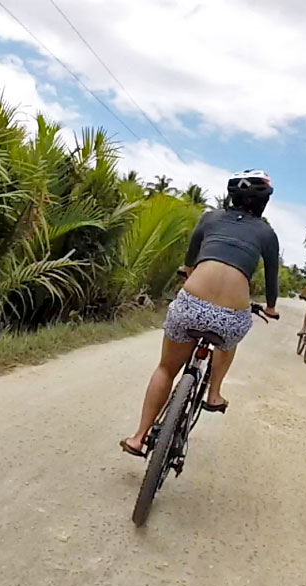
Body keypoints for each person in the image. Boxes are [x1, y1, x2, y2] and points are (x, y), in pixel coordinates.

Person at [120, 169, 281, 457]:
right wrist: (270, 307)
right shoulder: (267, 234)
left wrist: (193, 277)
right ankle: (214, 392)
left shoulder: (210, 218)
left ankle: (138, 436)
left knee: (167, 369)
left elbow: (190, 261)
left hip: (191, 305)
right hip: (230, 317)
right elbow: (272, 281)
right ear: (263, 202)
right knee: (228, 341)